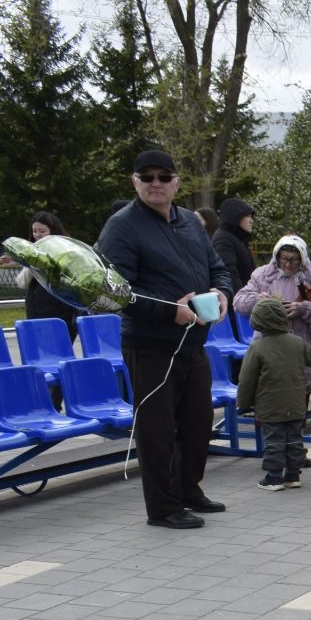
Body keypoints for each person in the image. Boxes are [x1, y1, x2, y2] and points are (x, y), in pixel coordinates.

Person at [96, 150, 231, 529]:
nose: (156, 183)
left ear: (176, 182)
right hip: (150, 343)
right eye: (147, 177)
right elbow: (113, 291)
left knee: (198, 421)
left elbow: (217, 268)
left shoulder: (189, 221)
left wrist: (222, 293)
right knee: (157, 429)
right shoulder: (121, 227)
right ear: (134, 182)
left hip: (192, 340)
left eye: (164, 176)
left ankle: (188, 489)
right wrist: (168, 310)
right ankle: (163, 507)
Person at [237, 297, 311, 491]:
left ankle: (273, 478)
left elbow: (246, 379)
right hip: (296, 403)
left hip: (270, 404)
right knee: (294, 439)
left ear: (258, 321)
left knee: (274, 441)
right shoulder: (297, 342)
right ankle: (293, 475)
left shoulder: (257, 348)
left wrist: (244, 404)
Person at [234, 235, 311, 402]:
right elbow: (238, 303)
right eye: (284, 258)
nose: (288, 264)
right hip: (268, 351)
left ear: (303, 258)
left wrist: (304, 309)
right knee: (267, 407)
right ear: (276, 256)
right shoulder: (262, 276)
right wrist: (258, 300)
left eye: (294, 260)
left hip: (301, 354)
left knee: (297, 411)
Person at [15, 211, 79, 339]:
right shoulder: (32, 251)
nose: (38, 235)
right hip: (36, 310)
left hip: (60, 309)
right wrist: (30, 262)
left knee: (60, 346)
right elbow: (22, 283)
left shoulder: (67, 250)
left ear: (53, 230)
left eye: (42, 231)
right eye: (34, 231)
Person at [211, 198, 256, 309]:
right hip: (236, 307)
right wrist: (243, 301)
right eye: (247, 216)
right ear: (236, 217)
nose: (251, 221)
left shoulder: (237, 237)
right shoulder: (223, 239)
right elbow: (229, 273)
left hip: (244, 302)